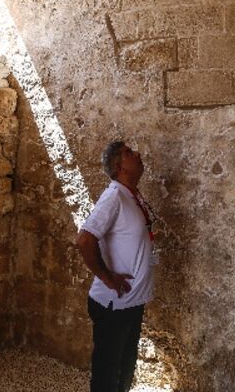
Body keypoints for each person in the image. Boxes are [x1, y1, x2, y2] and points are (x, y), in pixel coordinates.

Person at [75, 140, 158, 392]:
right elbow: (85, 240)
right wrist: (108, 278)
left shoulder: (131, 196)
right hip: (114, 302)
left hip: (132, 301)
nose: (138, 154)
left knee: (125, 370)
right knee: (107, 374)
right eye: (129, 153)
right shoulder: (113, 196)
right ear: (118, 166)